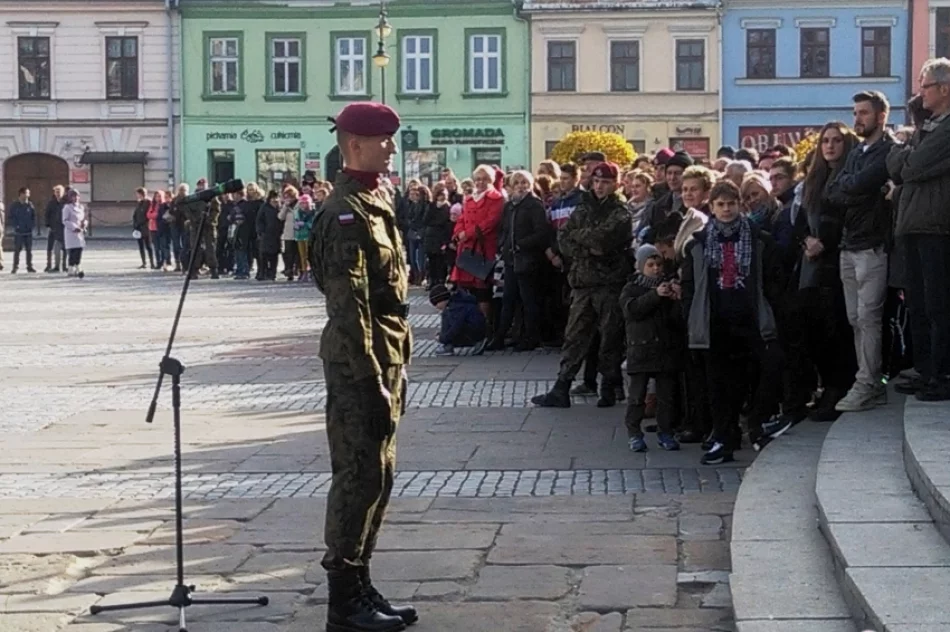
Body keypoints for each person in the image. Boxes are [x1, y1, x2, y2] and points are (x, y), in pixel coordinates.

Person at [308, 101, 416, 632]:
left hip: (389, 350)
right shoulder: (343, 211)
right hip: (359, 360)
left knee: (380, 473)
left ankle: (361, 580)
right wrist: (370, 378)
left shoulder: (376, 198)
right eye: (383, 140)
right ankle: (342, 601)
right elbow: (347, 306)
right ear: (355, 144)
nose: (392, 148)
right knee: (357, 474)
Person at [681, 180, 790, 465]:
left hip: (751, 319)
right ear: (712, 207)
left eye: (731, 203)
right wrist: (691, 319)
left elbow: (774, 280)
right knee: (719, 385)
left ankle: (756, 425)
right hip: (715, 322)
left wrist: (772, 310)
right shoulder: (698, 244)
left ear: (739, 205)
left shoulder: (759, 240)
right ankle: (724, 438)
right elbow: (690, 287)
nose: (726, 209)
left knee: (762, 374)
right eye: (721, 204)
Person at [532, 161, 632, 409]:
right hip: (583, 282)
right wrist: (586, 245)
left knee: (610, 337)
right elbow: (564, 238)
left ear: (615, 184)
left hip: (609, 283)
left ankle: (609, 387)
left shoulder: (620, 212)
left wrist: (583, 239)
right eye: (597, 181)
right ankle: (562, 386)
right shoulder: (583, 207)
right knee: (575, 336)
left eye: (606, 182)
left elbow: (605, 240)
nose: (599, 187)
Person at [826, 90, 895, 411]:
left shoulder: (888, 151)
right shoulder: (856, 152)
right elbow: (834, 192)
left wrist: (854, 188)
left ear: (881, 116)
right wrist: (858, 190)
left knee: (869, 317)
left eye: (864, 113)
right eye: (855, 112)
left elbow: (853, 186)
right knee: (856, 318)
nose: (858, 119)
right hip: (848, 244)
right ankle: (865, 377)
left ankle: (869, 381)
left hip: (872, 244)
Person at [888, 58, 950, 401]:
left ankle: (941, 373)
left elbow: (909, 168)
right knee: (919, 304)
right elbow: (902, 164)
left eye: (924, 86)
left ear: (943, 89)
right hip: (914, 224)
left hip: (936, 226)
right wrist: (904, 155)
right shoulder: (929, 126)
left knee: (938, 304)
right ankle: (927, 370)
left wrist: (903, 155)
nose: (919, 93)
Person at [620, 245, 684, 453]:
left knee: (666, 397)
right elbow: (632, 310)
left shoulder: (667, 287)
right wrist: (655, 296)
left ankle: (666, 432)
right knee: (637, 397)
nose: (656, 269)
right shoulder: (631, 288)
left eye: (658, 265)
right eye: (650, 265)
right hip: (640, 350)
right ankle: (634, 433)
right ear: (641, 267)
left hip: (664, 350)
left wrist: (676, 300)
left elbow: (676, 321)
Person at [429, 284, 487, 356]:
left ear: (441, 300)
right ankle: (448, 344)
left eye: (436, 304)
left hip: (474, 332)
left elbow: (456, 327)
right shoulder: (456, 303)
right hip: (475, 329)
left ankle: (449, 345)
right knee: (446, 316)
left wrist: (442, 338)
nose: (436, 307)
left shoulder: (456, 307)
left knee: (448, 320)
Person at [9, 187, 36, 273]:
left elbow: (33, 217)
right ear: (21, 194)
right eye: (27, 193)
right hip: (18, 232)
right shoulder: (14, 205)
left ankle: (29, 266)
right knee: (17, 250)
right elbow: (11, 217)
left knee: (29, 250)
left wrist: (31, 226)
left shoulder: (30, 205)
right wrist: (16, 226)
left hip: (28, 232)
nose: (28, 195)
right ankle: (15, 267)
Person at [62, 189, 87, 279]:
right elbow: (65, 220)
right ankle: (71, 269)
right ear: (70, 197)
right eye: (73, 196)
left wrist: (84, 224)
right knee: (72, 252)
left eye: (77, 196)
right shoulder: (67, 208)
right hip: (71, 233)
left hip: (79, 233)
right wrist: (74, 227)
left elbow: (84, 218)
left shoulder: (81, 207)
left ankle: (78, 268)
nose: (76, 198)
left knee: (79, 250)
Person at [44, 185, 66, 273]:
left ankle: (64, 266)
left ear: (63, 192)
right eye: (56, 191)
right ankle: (49, 265)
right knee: (50, 247)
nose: (58, 193)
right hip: (53, 228)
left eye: (59, 191)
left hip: (63, 229)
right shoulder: (51, 203)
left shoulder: (65, 203)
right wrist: (48, 225)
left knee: (64, 248)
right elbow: (47, 215)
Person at [133, 187, 155, 270]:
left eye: (138, 193)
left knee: (148, 245)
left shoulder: (148, 202)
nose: (137, 195)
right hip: (138, 227)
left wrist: (141, 223)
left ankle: (152, 262)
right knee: (140, 245)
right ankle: (144, 262)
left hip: (146, 227)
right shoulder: (139, 203)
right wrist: (135, 224)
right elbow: (136, 214)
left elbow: (147, 215)